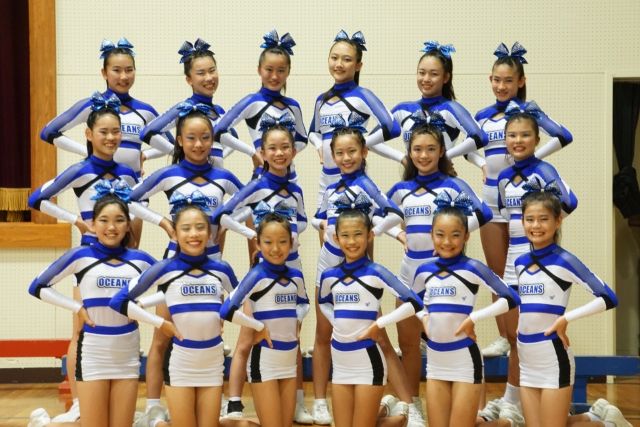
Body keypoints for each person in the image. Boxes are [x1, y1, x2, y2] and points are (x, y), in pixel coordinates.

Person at [470, 42, 573, 363]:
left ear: (521, 82)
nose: (502, 86)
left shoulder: (530, 114)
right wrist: (481, 163)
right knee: (498, 274)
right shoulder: (483, 116)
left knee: (527, 272)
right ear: (490, 80)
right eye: (496, 80)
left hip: (524, 203)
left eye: (508, 81)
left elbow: (564, 135)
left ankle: (530, 335)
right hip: (493, 200)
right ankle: (505, 337)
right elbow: (466, 147)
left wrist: (532, 158)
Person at [385, 115, 492, 418]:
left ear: (441, 151)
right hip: (410, 274)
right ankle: (413, 406)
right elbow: (377, 216)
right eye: (417, 149)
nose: (424, 155)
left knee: (459, 336)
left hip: (448, 274)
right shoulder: (402, 188)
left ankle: (479, 409)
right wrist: (398, 233)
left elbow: (483, 213)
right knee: (408, 343)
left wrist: (450, 237)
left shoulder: (453, 185)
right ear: (409, 152)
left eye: (431, 149)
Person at [478, 111, 578, 422]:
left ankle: (532, 400)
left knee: (537, 330)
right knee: (515, 334)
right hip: (514, 263)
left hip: (543, 262)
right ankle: (518, 399)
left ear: (536, 139)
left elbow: (570, 202)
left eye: (525, 135)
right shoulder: (503, 178)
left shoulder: (544, 169)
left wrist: (543, 225)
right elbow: (507, 219)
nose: (518, 140)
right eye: (512, 135)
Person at [28, 185, 155, 427]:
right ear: (93, 225)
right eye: (104, 220)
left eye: (119, 220)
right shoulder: (80, 256)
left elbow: (172, 285)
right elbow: (37, 286)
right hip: (93, 353)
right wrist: (76, 308)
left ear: (128, 225)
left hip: (127, 354)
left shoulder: (141, 260)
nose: (111, 227)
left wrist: (141, 305)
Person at [311, 122, 410, 425]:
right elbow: (317, 220)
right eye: (339, 153)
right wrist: (323, 227)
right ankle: (320, 401)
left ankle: (407, 404)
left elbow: (394, 213)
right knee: (324, 334)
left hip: (360, 268)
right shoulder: (331, 188)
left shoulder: (367, 185)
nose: (346, 158)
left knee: (377, 336)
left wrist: (375, 232)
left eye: (352, 151)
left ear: (364, 152)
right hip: (329, 266)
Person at [110, 194, 238, 427]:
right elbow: (119, 301)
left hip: (212, 363)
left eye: (200, 227)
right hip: (180, 363)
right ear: (175, 234)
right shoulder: (164, 269)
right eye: (186, 228)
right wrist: (160, 323)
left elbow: (241, 301)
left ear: (209, 233)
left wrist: (224, 313)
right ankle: (155, 421)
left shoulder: (222, 269)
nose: (193, 234)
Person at [211, 123, 307, 420]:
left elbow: (303, 221)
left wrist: (288, 235)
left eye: (285, 147)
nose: (279, 153)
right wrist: (255, 237)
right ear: (262, 153)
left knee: (290, 334)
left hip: (290, 266)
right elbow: (223, 214)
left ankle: (296, 402)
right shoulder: (255, 186)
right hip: (262, 270)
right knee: (248, 338)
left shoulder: (295, 189)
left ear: (294, 151)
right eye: (272, 148)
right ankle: (234, 401)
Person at [413, 194, 520, 427]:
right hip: (435, 363)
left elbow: (511, 297)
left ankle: (504, 422)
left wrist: (474, 317)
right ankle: (501, 422)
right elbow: (414, 301)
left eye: (455, 235)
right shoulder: (424, 270)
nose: (447, 241)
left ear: (466, 236)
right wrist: (424, 317)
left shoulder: (473, 268)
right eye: (440, 234)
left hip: (464, 361)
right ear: (431, 235)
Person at [515, 190, 621, 427]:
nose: (536, 225)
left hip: (552, 358)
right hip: (526, 359)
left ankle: (609, 425)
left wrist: (566, 319)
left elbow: (608, 297)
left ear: (558, 221)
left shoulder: (564, 261)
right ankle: (595, 418)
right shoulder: (520, 263)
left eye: (543, 219)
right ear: (522, 221)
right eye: (529, 219)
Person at [317, 207, 423, 427]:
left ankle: (396, 414)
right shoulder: (329, 276)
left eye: (358, 234)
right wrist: (336, 321)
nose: (351, 241)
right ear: (336, 238)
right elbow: (323, 301)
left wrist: (380, 323)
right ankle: (391, 413)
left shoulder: (376, 272)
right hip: (340, 363)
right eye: (345, 235)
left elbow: (414, 302)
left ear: (370, 235)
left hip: (368, 362)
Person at [220, 213, 310, 427]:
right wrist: (257, 326)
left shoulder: (296, 276)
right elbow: (226, 310)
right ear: (258, 244)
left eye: (282, 242)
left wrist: (298, 319)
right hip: (265, 361)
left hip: (289, 361)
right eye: (268, 242)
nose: (276, 248)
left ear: (291, 243)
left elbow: (303, 303)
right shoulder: (256, 275)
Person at [308, 30, 403, 210]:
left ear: (358, 65)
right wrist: (319, 144)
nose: (339, 64)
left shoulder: (362, 95)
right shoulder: (322, 100)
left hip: (355, 179)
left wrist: (362, 144)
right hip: (326, 179)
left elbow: (392, 127)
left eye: (347, 59)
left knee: (356, 226)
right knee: (322, 224)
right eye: (334, 58)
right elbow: (313, 132)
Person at [139, 38, 257, 168]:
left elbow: (233, 136)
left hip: (215, 179)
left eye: (212, 70)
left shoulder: (218, 111)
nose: (209, 78)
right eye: (201, 73)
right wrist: (180, 154)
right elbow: (147, 133)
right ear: (189, 79)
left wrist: (219, 158)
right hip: (189, 177)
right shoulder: (185, 108)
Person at [214, 29, 307, 180]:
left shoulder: (293, 106)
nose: (274, 76)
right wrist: (252, 152)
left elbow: (302, 139)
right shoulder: (252, 101)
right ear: (259, 70)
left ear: (288, 71)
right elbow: (217, 131)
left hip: (291, 179)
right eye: (269, 69)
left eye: (281, 70)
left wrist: (286, 154)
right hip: (263, 177)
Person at [381, 40, 487, 163]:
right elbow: (370, 141)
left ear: (446, 77)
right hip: (410, 175)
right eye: (422, 73)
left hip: (442, 175)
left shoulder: (450, 109)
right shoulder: (403, 110)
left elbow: (481, 137)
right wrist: (402, 158)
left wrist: (445, 157)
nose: (426, 79)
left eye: (434, 74)